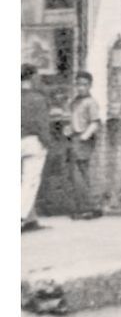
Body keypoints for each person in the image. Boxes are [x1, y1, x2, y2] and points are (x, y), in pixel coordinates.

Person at [65, 71, 103, 219]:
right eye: (78, 84)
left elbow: (95, 122)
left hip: (83, 139)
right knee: (78, 174)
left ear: (90, 85)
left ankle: (88, 207)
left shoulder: (90, 102)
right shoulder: (75, 102)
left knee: (80, 173)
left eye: (84, 84)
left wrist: (84, 136)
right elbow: (72, 120)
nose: (81, 87)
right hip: (74, 137)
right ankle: (88, 205)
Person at [22, 65, 52, 231]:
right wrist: (47, 143)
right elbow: (42, 125)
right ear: (32, 78)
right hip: (32, 142)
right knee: (30, 181)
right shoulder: (38, 99)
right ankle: (20, 217)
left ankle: (30, 218)